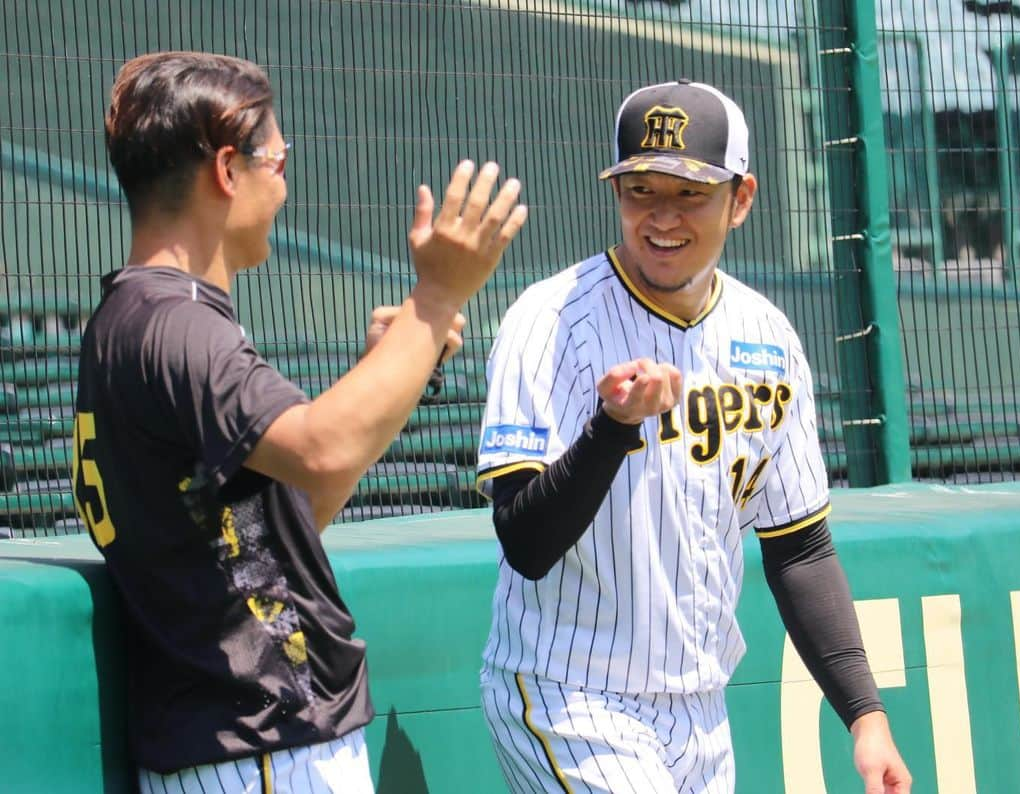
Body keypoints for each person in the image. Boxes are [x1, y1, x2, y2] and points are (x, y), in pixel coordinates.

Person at [71, 51, 526, 793]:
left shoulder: (137, 319)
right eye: (277, 162)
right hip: (259, 746)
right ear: (227, 169)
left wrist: (401, 362)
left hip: (243, 745)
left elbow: (290, 516)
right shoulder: (178, 325)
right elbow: (321, 448)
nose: (283, 186)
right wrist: (437, 297)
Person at [475, 80, 911, 793]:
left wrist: (865, 716)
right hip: (568, 694)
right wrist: (613, 428)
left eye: (690, 191)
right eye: (640, 189)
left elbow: (798, 545)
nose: (661, 216)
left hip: (699, 715)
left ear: (741, 199)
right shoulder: (550, 320)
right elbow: (524, 542)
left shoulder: (766, 335)